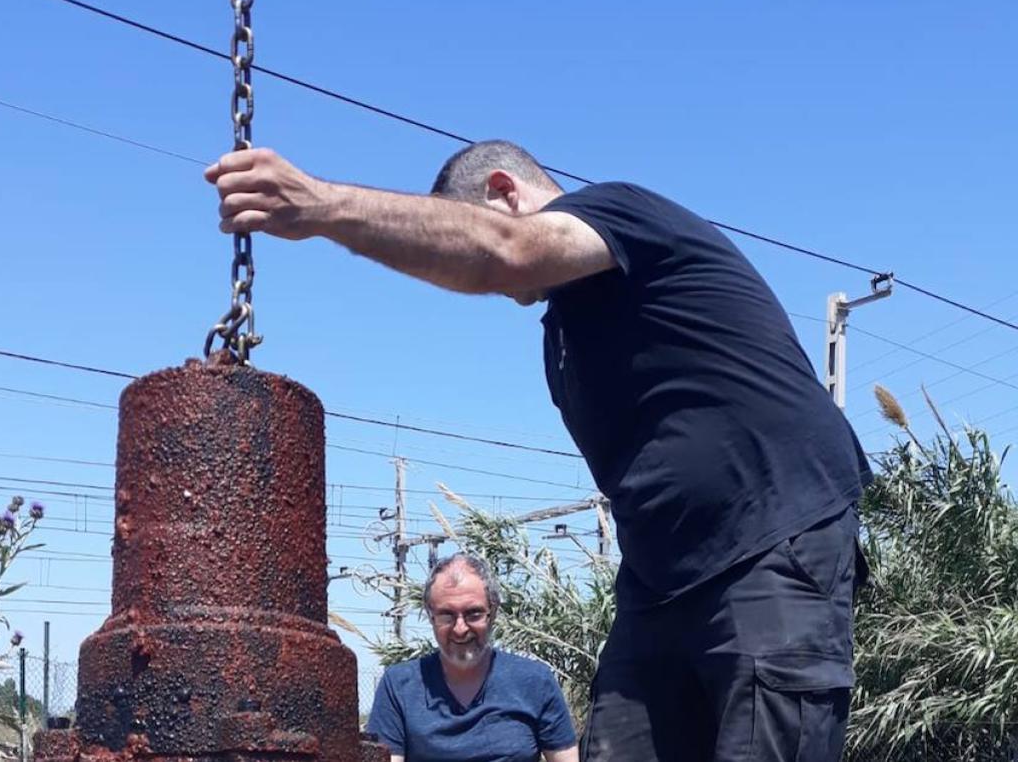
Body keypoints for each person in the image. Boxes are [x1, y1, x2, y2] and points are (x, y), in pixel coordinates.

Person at [205, 141, 872, 761]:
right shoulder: (564, 339)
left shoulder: (620, 212)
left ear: (504, 190)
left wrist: (323, 207)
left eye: (457, 231)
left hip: (772, 542)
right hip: (660, 581)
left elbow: (507, 251)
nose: (479, 280)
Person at [365, 554, 578, 762]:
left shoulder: (535, 681)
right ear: (431, 617)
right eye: (447, 615)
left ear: (492, 613)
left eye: (473, 614)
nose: (460, 628)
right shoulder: (399, 685)